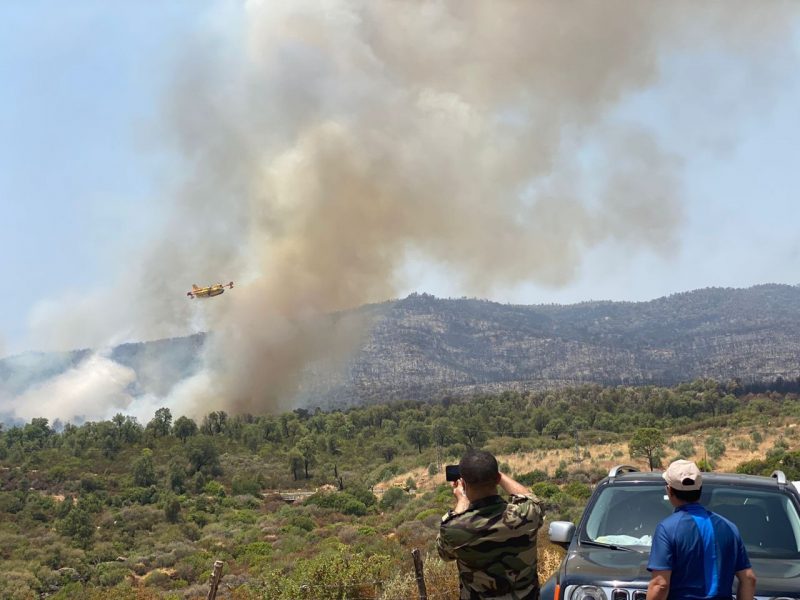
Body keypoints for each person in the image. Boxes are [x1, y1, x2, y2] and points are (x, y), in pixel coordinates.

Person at [437, 450, 544, 600]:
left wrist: (461, 502)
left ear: (464, 484)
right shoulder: (527, 514)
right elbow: (529, 498)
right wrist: (496, 475)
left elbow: (445, 554)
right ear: (497, 478)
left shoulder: (454, 530)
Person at [646, 459, 757, 600]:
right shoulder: (729, 527)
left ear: (669, 490)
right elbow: (749, 579)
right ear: (700, 489)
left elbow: (660, 585)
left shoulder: (667, 529)